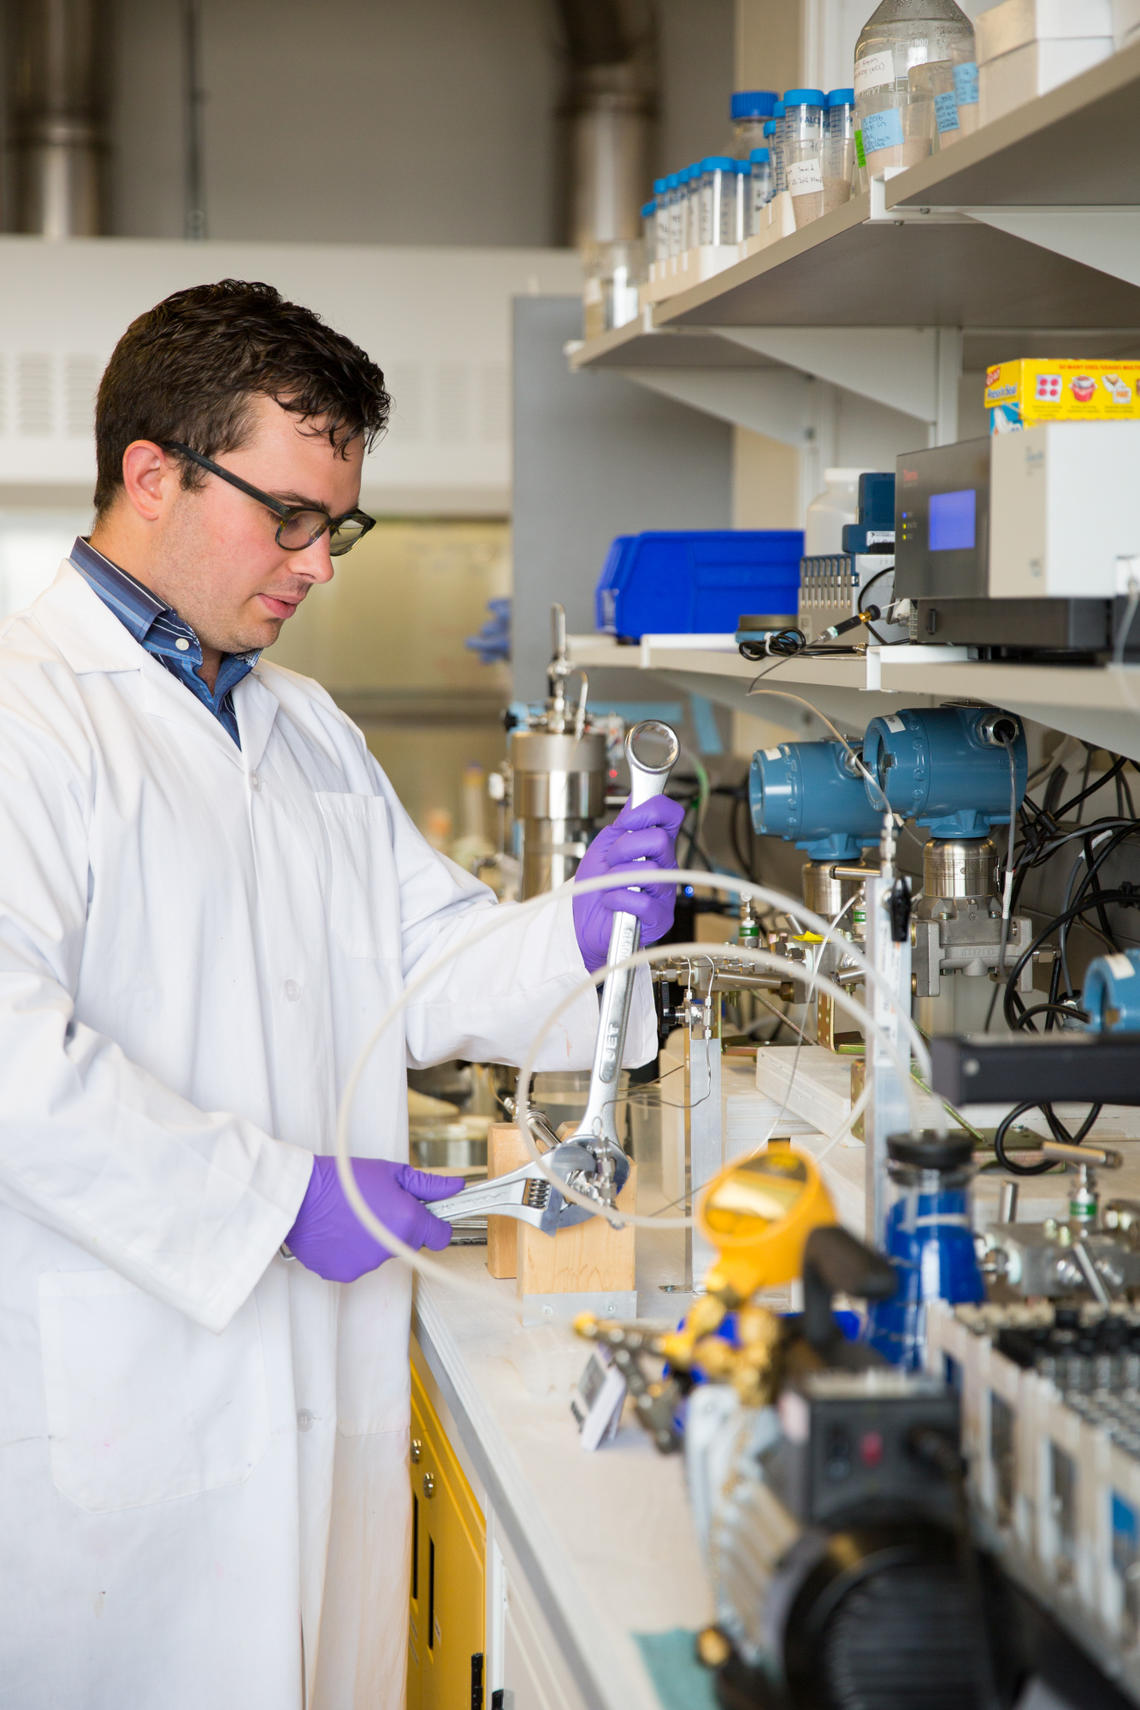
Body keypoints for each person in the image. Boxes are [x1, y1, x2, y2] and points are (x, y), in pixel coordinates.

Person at [0, 280, 683, 1710]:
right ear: (151, 474)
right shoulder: (28, 709)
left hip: (317, 1390)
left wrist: (583, 929)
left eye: (339, 526)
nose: (320, 565)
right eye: (291, 516)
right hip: (122, 1414)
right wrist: (274, 1200)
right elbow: (16, 1064)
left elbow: (424, 962)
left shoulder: (301, 726)